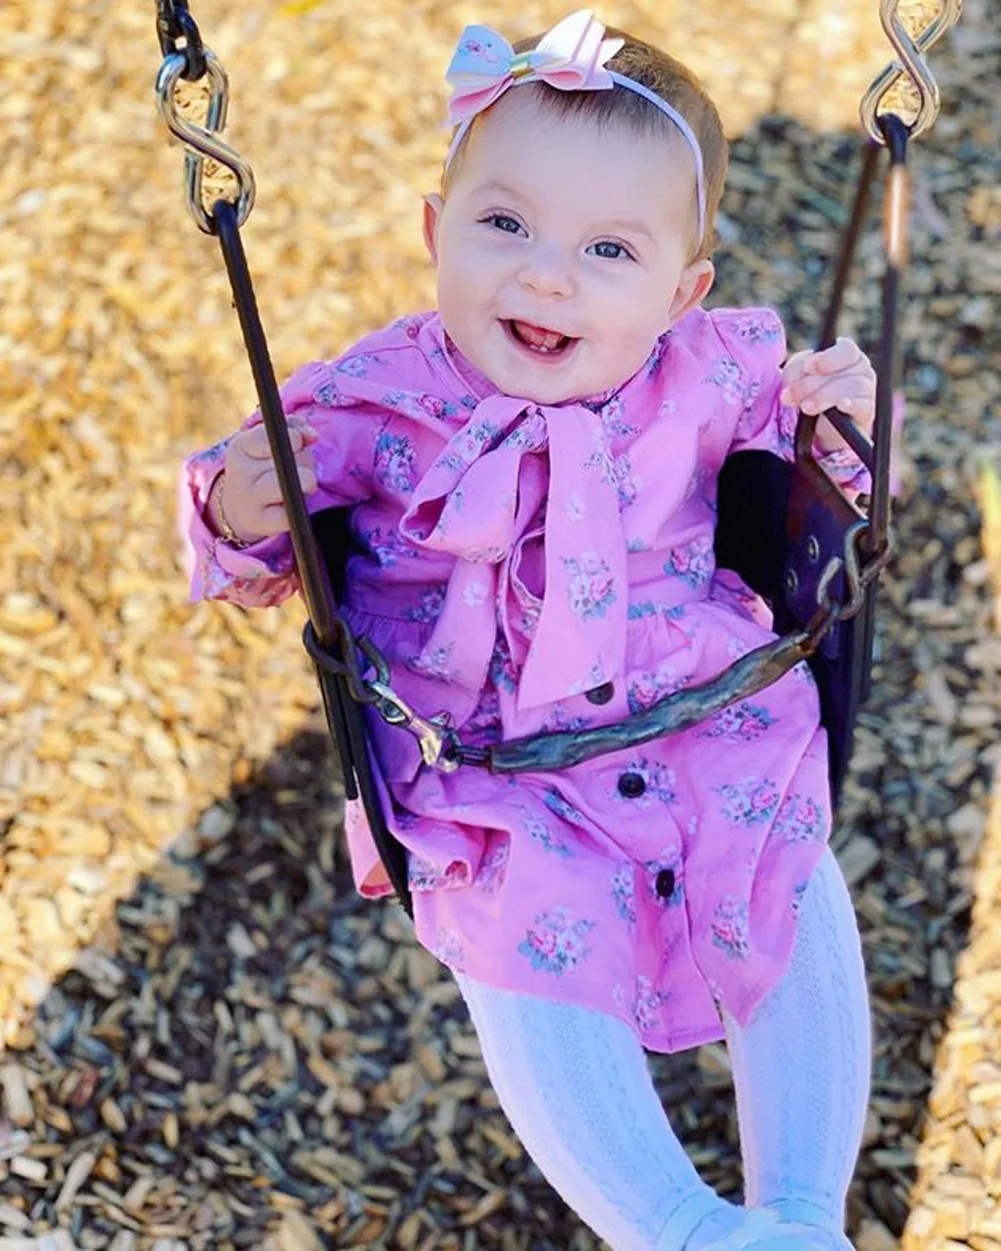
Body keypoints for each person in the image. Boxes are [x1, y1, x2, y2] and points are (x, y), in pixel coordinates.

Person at [178, 12, 876, 1249]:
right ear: (433, 233)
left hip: (705, 720)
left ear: (680, 292)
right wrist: (239, 501)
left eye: (608, 249)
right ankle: (685, 1232)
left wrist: (845, 425)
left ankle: (802, 1217)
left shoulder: (713, 372)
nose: (546, 276)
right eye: (504, 225)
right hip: (486, 767)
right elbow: (251, 548)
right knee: (528, 947)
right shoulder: (376, 399)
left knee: (783, 881)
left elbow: (826, 498)